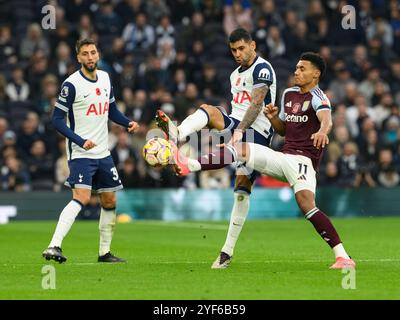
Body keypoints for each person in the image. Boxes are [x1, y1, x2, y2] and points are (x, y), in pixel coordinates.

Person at [175, 52, 355, 269]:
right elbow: (284, 131)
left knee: (307, 206)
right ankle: (189, 164)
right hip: (282, 158)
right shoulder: (288, 94)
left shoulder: (319, 97)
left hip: (303, 163)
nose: (296, 72)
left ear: (315, 74)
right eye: (296, 68)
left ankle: (343, 257)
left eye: (302, 69)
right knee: (240, 149)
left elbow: (327, 120)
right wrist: (273, 119)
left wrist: (323, 131)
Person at [155, 28, 277, 268]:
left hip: (259, 133)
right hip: (238, 126)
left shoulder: (263, 68)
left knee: (241, 190)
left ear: (253, 45)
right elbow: (237, 112)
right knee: (209, 110)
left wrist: (239, 131)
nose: (237, 54)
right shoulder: (234, 76)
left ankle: (226, 252)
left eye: (242, 48)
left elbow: (255, 104)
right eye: (233, 50)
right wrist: (232, 131)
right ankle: (177, 133)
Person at [42, 38, 139, 263]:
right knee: (82, 197)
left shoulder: (105, 78)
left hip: (103, 152)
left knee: (110, 201)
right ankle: (54, 245)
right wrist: (80, 140)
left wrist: (127, 123)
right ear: (78, 58)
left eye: (93, 52)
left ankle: (104, 253)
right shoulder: (71, 84)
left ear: (98, 54)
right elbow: (56, 120)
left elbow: (111, 110)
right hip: (80, 152)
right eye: (85, 54)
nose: (90, 57)